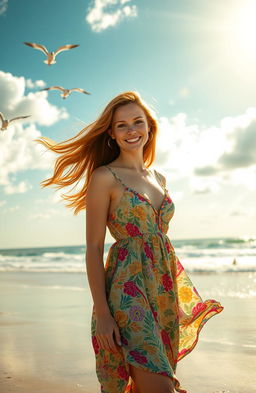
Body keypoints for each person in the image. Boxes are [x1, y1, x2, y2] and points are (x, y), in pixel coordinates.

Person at [35, 91, 224, 393]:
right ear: (111, 132)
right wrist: (104, 313)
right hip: (127, 291)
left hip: (163, 289)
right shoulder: (105, 178)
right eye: (121, 125)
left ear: (150, 127)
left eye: (138, 122)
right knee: (161, 387)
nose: (131, 130)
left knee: (156, 378)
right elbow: (94, 249)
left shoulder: (159, 178)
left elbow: (159, 240)